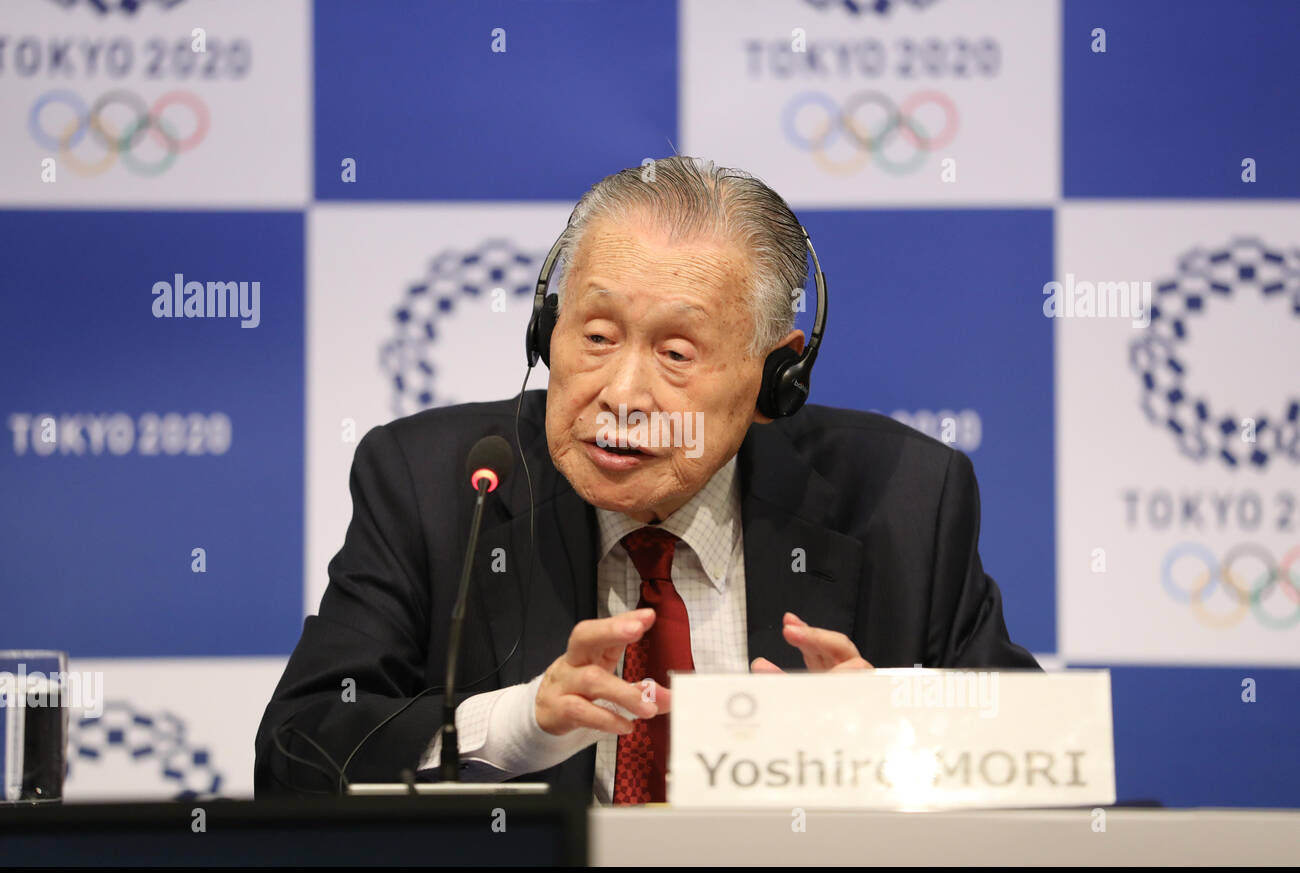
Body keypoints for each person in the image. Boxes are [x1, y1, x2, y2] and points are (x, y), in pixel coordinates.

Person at [254, 156, 1039, 804]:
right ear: (546, 332)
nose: (622, 394)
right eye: (596, 336)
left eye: (676, 353)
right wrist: (515, 724)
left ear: (776, 378)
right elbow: (297, 752)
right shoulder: (437, 483)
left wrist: (901, 734)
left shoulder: (904, 499)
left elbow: (1048, 776)